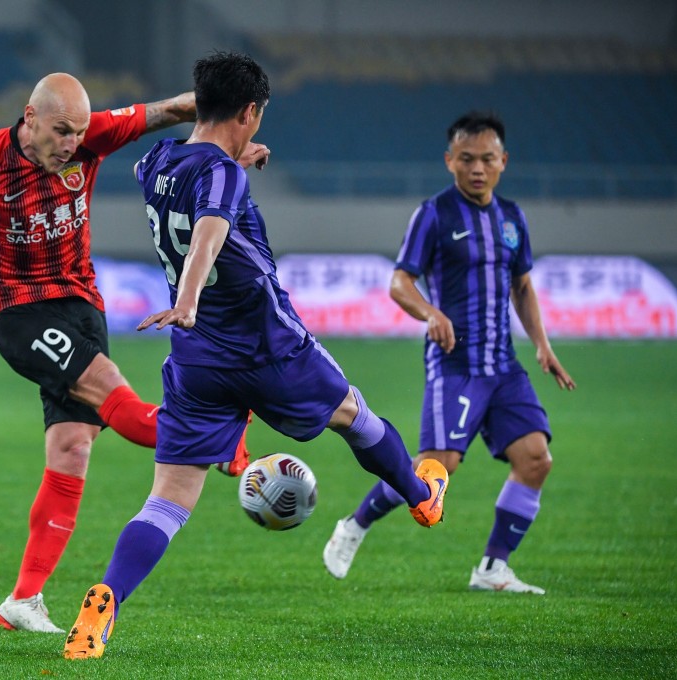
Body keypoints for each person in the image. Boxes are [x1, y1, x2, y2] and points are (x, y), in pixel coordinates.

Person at [62, 52, 449, 661]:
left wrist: (230, 163)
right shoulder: (224, 177)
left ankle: (105, 600)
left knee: (168, 499)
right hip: (270, 348)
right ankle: (421, 496)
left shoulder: (154, 162)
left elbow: (194, 190)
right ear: (250, 111)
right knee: (354, 416)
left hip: (197, 362)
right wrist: (189, 297)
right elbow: (210, 229)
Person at [0, 73, 255, 634]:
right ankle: (222, 431)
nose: (72, 144)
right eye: (62, 131)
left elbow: (175, 109)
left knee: (72, 448)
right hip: (20, 313)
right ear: (30, 118)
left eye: (79, 133)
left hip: (82, 307)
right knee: (123, 403)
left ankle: (23, 600)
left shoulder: (91, 135)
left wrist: (231, 135)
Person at [323, 111, 576, 594]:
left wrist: (543, 346)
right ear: (449, 161)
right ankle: (354, 525)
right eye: (466, 159)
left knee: (536, 459)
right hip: (455, 364)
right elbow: (400, 282)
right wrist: (430, 313)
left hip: (503, 366)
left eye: (487, 159)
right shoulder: (434, 214)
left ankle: (492, 568)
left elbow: (523, 286)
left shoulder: (512, 217)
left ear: (503, 161)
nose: (477, 168)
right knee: (436, 468)